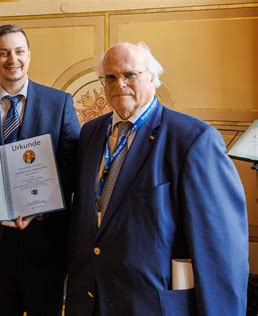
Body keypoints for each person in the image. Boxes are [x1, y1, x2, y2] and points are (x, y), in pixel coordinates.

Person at [65, 41, 249, 315]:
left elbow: (221, 248)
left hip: (149, 303)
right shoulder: (91, 132)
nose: (120, 83)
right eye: (111, 77)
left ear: (153, 77)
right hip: (90, 299)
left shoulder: (192, 139)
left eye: (130, 74)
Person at [0, 24, 80, 315]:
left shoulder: (59, 103)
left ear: (29, 55)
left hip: (45, 240)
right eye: (4, 53)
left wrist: (39, 208)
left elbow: (71, 166)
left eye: (19, 51)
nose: (13, 59)